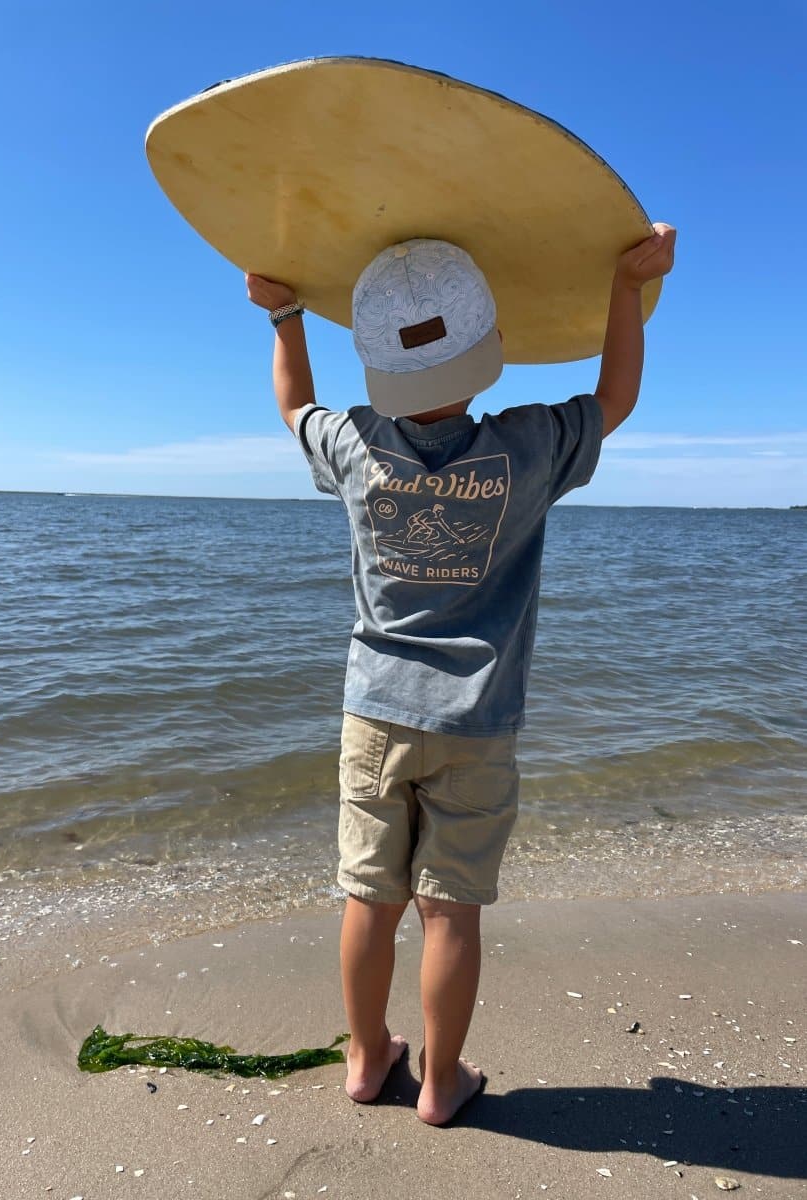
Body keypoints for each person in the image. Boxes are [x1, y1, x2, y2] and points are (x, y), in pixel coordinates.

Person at [245, 225, 676, 1125]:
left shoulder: (358, 445)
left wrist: (285, 314)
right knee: (451, 912)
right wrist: (627, 288)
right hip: (477, 725)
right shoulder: (530, 445)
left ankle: (366, 1060)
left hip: (374, 715)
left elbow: (293, 406)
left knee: (370, 895)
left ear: (379, 370)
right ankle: (441, 1083)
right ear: (489, 351)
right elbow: (616, 396)